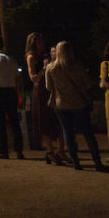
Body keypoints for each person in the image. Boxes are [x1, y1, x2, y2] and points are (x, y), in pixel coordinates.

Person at [45, 41, 109, 171]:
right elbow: (87, 84)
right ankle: (97, 162)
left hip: (61, 104)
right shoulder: (77, 66)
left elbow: (49, 87)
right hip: (79, 103)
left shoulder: (51, 68)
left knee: (67, 133)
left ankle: (76, 162)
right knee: (88, 133)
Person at [26, 32, 64, 164]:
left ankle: (61, 151)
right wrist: (43, 68)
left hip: (50, 89)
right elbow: (33, 77)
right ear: (34, 43)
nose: (42, 44)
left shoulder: (45, 55)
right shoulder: (31, 57)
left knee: (56, 119)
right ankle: (50, 152)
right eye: (40, 42)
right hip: (40, 90)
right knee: (45, 120)